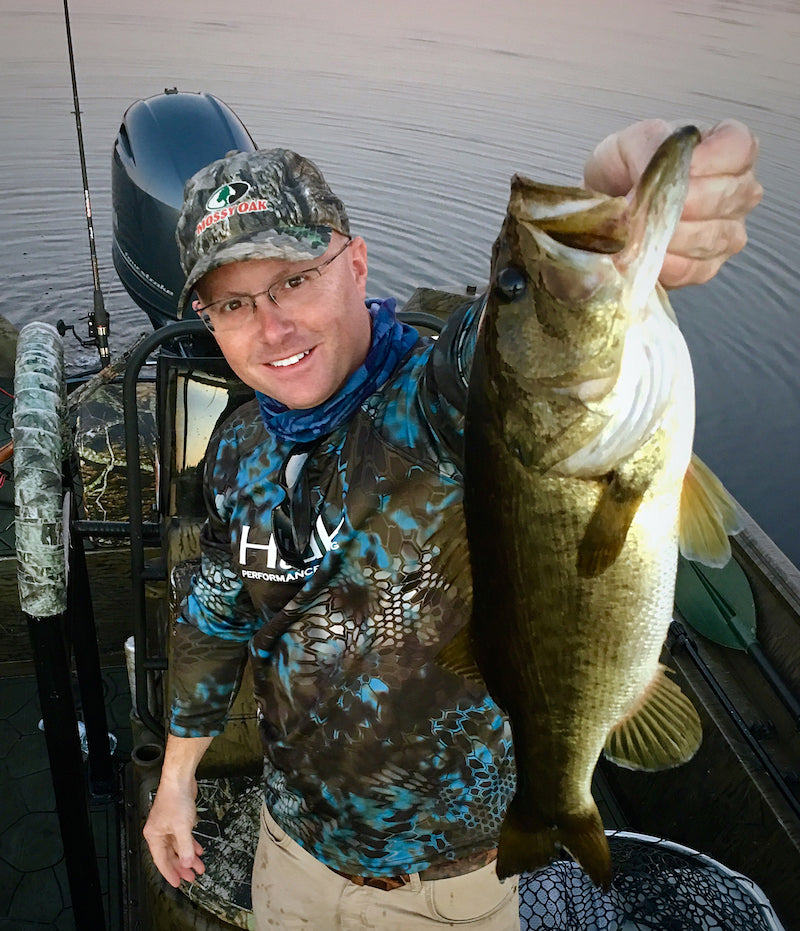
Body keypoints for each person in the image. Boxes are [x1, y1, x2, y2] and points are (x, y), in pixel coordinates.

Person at [142, 118, 762, 930]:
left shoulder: (438, 404)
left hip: (458, 889)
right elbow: (215, 616)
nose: (272, 327)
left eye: (296, 279)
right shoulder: (235, 447)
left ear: (355, 263)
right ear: (209, 318)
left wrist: (607, 201)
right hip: (291, 855)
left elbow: (513, 352)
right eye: (234, 302)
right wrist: (176, 779)